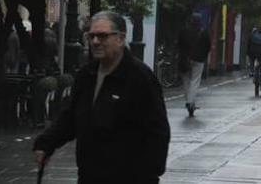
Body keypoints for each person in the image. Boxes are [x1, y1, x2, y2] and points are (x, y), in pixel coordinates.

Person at [33, 11, 170, 183]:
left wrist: (149, 172)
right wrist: (46, 144)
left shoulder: (140, 78)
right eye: (91, 36)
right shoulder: (86, 75)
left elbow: (158, 130)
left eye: (102, 36)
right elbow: (70, 117)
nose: (96, 42)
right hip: (90, 175)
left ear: (120, 39)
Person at [177, 15, 211, 118]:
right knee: (195, 80)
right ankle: (190, 101)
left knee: (186, 80)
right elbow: (208, 46)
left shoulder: (183, 31)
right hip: (198, 60)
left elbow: (179, 44)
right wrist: (203, 56)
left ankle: (188, 101)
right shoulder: (204, 32)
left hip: (185, 59)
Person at [247, 26, 261, 93]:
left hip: (253, 54)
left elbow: (248, 45)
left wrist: (248, 53)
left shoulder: (251, 35)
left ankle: (251, 71)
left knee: (251, 60)